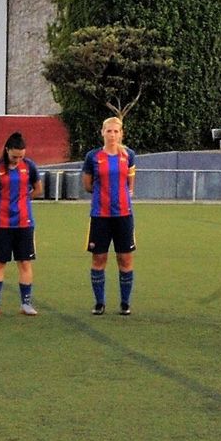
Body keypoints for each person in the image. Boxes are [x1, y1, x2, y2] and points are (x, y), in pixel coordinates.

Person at [0, 131, 42, 316]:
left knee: (24, 262)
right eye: (15, 156)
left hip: (24, 223)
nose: (18, 159)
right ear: (7, 150)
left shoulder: (29, 166)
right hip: (1, 224)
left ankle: (26, 304)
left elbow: (38, 189)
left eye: (21, 156)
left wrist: (24, 200)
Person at [82, 118, 136, 316]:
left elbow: (131, 184)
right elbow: (87, 185)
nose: (112, 135)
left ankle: (125, 303)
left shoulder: (128, 155)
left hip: (123, 215)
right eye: (109, 131)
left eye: (116, 131)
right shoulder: (92, 156)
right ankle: (99, 303)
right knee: (99, 259)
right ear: (102, 132)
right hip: (100, 216)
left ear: (121, 133)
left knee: (125, 259)